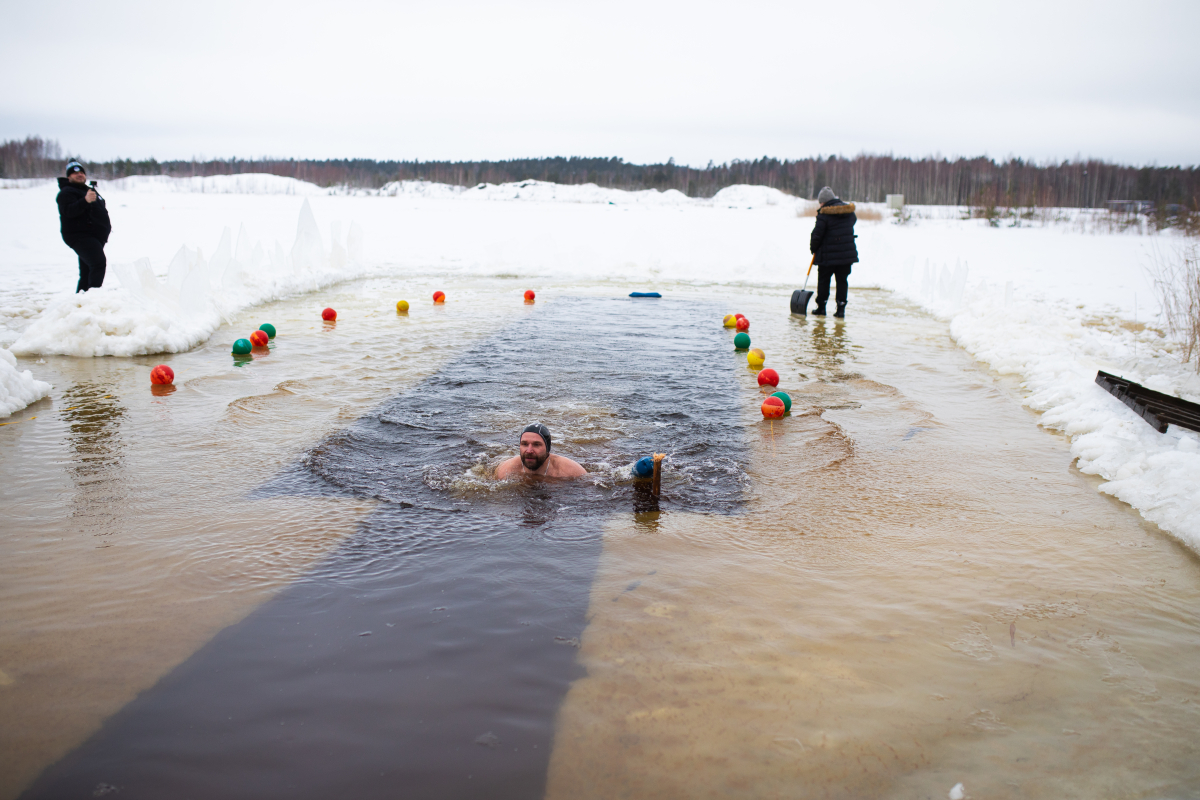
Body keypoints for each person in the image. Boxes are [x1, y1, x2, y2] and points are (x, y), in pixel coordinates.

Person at [57, 160, 111, 293]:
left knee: (87, 271)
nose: (79, 175)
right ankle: (93, 297)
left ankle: (80, 300)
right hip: (80, 236)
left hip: (95, 237)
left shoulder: (88, 190)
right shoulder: (66, 192)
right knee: (98, 264)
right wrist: (85, 201)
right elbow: (68, 211)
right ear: (68, 177)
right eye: (75, 173)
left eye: (81, 172)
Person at [809, 185, 857, 318]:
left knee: (824, 280)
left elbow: (817, 235)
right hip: (846, 255)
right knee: (842, 281)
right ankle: (841, 309)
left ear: (824, 201)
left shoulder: (824, 214)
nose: (820, 204)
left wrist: (813, 248)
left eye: (821, 202)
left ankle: (821, 308)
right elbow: (853, 222)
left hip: (827, 256)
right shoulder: (849, 212)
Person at [495, 423, 587, 479]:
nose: (529, 450)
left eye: (536, 445)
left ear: (548, 449)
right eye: (525, 444)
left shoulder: (572, 472)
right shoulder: (506, 471)